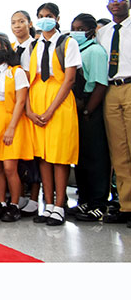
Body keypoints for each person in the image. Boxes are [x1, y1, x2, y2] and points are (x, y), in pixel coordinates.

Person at [24, 2, 81, 226]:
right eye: (40, 16)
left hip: (60, 101)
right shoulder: (34, 45)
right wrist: (30, 109)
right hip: (38, 98)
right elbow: (28, 79)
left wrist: (50, 109)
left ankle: (59, 205)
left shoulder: (68, 43)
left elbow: (70, 79)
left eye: (48, 16)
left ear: (57, 19)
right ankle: (47, 204)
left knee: (60, 155)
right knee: (44, 156)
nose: (44, 19)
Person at [0, 33, 34, 222]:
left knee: (10, 166)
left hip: (12, 119)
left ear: (7, 50)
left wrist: (11, 127)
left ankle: (15, 204)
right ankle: (1, 203)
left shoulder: (16, 72)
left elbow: (20, 102)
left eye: (0, 48)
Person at [68, 13, 110, 222]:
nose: (76, 32)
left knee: (96, 158)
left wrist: (88, 111)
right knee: (81, 159)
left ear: (91, 31)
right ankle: (83, 201)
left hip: (90, 109)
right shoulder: (75, 50)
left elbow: (100, 84)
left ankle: (98, 204)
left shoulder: (95, 51)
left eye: (81, 28)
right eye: (74, 27)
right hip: (76, 108)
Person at [97, 0, 131, 226]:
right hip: (110, 89)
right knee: (118, 152)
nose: (116, 3)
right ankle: (126, 206)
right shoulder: (104, 32)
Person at [10, 10, 41, 216]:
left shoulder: (36, 46)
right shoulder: (12, 48)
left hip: (32, 103)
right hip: (15, 107)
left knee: (34, 154)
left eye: (21, 21)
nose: (17, 25)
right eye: (13, 22)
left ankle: (36, 196)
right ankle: (19, 195)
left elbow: (31, 80)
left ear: (29, 23)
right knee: (18, 154)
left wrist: (28, 108)